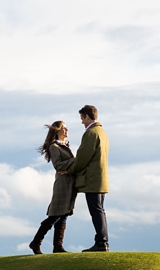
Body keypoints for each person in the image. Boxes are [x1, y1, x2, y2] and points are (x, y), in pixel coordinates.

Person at [65, 104, 110, 252]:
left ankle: (101, 243)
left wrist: (70, 170)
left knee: (96, 211)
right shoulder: (102, 133)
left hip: (92, 180)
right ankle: (102, 242)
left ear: (87, 117)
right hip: (101, 179)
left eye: (82, 118)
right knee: (99, 210)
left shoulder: (91, 133)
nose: (81, 121)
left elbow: (83, 157)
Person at [28, 120, 76, 254]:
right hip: (62, 184)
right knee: (55, 215)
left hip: (70, 184)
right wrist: (75, 160)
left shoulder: (65, 145)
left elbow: (66, 166)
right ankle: (36, 242)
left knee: (64, 214)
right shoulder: (54, 147)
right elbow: (59, 166)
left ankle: (58, 247)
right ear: (57, 131)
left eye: (67, 128)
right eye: (64, 128)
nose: (67, 130)